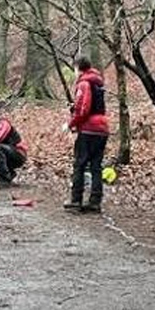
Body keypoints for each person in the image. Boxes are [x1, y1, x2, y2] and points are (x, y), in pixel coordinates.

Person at [63, 57, 109, 213]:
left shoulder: (84, 83)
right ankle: (95, 201)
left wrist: (70, 124)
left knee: (80, 164)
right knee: (96, 166)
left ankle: (76, 200)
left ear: (78, 68)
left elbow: (83, 109)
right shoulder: (98, 82)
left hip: (89, 129)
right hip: (102, 128)